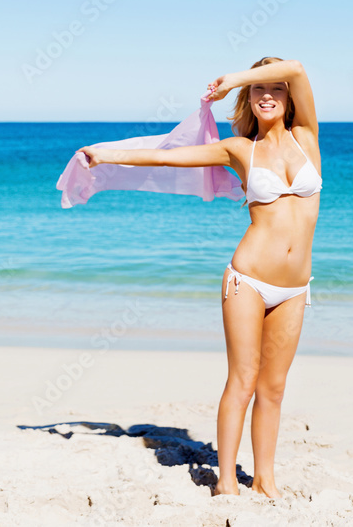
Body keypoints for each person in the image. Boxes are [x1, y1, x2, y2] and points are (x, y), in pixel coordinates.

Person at [76, 57, 321, 499]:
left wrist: (238, 79)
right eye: (257, 90)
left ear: (288, 98)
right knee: (243, 380)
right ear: (249, 101)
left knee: (275, 387)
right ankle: (226, 481)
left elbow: (299, 68)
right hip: (247, 280)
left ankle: (265, 479)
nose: (266, 95)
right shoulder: (239, 150)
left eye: (276, 88)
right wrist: (106, 153)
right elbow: (166, 159)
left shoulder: (307, 139)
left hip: (294, 288)